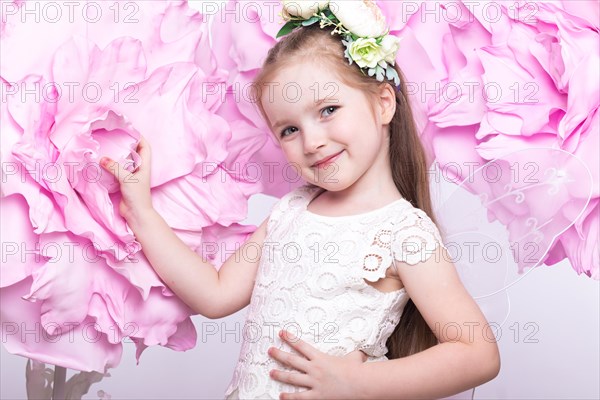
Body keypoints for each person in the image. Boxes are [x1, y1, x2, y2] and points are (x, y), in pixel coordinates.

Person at [100, 2, 500, 399]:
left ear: (383, 103)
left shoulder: (404, 233)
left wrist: (356, 383)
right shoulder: (292, 210)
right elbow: (215, 295)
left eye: (328, 110)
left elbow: (477, 354)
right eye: (289, 129)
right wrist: (142, 211)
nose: (312, 142)